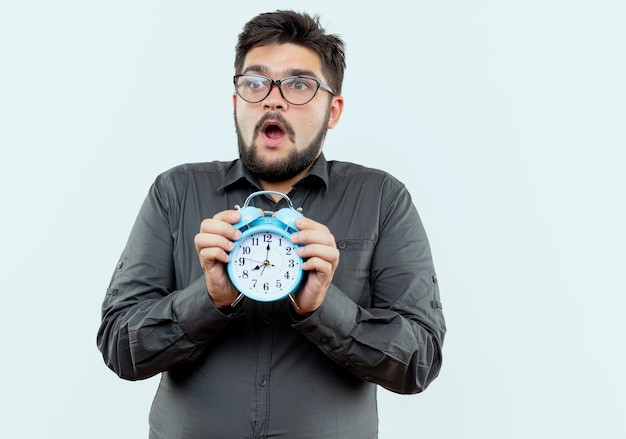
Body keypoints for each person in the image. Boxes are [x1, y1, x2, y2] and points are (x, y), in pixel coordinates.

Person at [97, 9, 446, 439]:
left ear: (333, 110)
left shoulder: (381, 200)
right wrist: (209, 301)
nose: (273, 99)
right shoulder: (175, 193)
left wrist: (324, 308)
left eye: (299, 84)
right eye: (255, 82)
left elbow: (419, 362)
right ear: (236, 102)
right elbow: (119, 348)